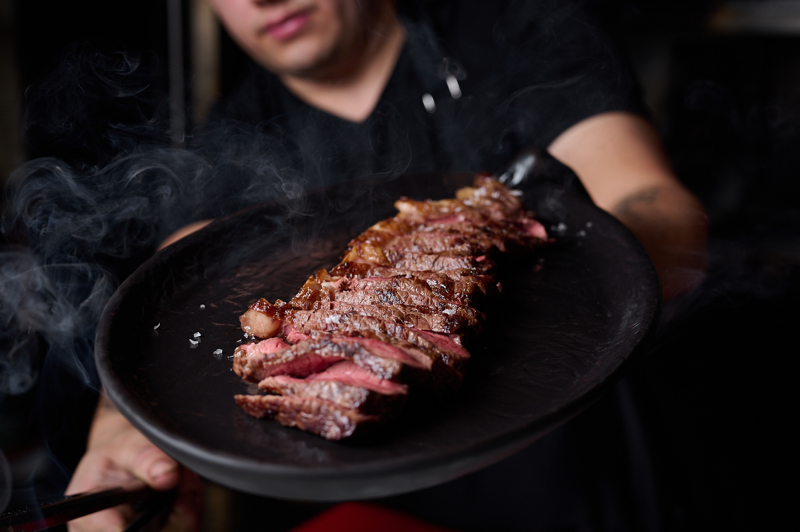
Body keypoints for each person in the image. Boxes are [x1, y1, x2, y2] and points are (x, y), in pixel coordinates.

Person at [66, 1, 708, 530]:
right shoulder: (235, 131)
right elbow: (163, 297)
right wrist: (117, 433)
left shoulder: (517, 29)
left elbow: (651, 200)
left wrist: (520, 261)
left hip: (573, 488)